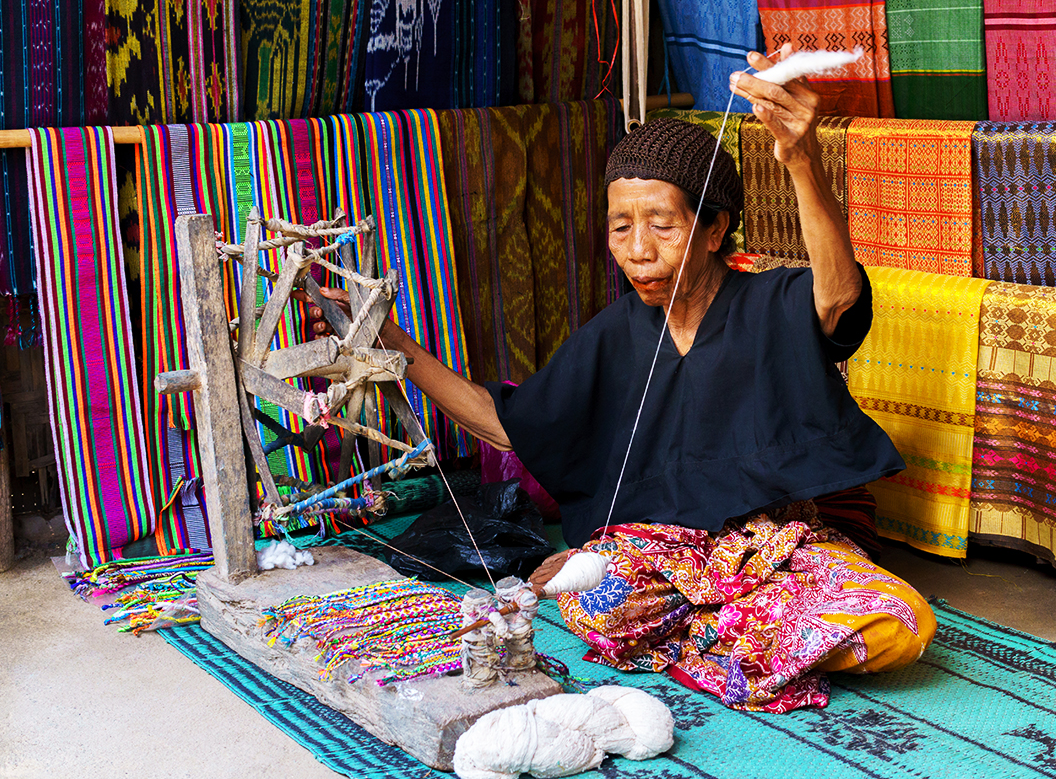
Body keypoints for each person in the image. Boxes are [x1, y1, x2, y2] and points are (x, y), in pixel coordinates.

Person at [304, 49, 936, 713]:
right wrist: (395, 345)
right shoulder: (615, 332)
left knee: (901, 623)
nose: (638, 249)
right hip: (659, 553)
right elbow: (504, 423)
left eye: (663, 226)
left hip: (774, 555)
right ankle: (736, 639)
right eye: (620, 227)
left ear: (714, 228)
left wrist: (801, 159)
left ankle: (708, 634)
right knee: (593, 607)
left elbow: (838, 299)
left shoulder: (774, 303)